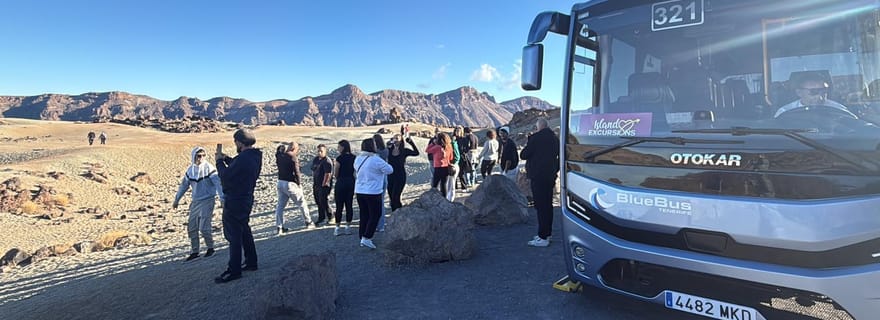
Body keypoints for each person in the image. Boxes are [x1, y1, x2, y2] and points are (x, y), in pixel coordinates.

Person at [214, 129, 262, 284]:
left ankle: (234, 270)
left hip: (235, 200)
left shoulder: (243, 159)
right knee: (245, 230)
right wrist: (227, 159)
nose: (235, 144)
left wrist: (219, 162)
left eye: (235, 142)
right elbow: (238, 165)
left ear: (240, 142)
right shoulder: (254, 156)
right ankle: (251, 261)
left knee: (234, 235)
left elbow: (226, 176)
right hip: (246, 198)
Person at [172, 147, 224, 261]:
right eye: (198, 156)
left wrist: (222, 198)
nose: (200, 158)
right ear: (193, 156)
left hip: (208, 200)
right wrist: (176, 200)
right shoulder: (190, 171)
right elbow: (184, 186)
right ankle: (195, 251)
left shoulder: (209, 169)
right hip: (195, 201)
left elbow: (218, 184)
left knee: (204, 227)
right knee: (192, 226)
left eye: (203, 155)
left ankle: (210, 248)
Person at [520, 118, 560, 247]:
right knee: (548, 206)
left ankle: (543, 237)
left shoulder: (535, 138)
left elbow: (524, 155)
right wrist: (554, 170)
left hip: (538, 176)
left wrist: (529, 142)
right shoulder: (555, 139)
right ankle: (547, 233)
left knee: (541, 206)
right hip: (550, 176)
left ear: (539, 127)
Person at [354, 138, 393, 249]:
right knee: (375, 214)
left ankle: (362, 236)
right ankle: (367, 237)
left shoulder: (358, 158)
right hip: (373, 191)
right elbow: (390, 170)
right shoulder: (376, 159)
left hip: (360, 191)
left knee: (364, 214)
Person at [274, 141, 313, 235]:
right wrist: (299, 184)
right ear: (294, 149)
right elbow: (297, 172)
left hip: (280, 182)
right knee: (302, 202)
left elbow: (277, 154)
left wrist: (280, 148)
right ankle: (308, 222)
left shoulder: (280, 156)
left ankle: (279, 227)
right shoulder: (292, 157)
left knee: (280, 206)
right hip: (290, 183)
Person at [774, 74, 856, 118]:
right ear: (799, 92)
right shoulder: (784, 113)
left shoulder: (839, 110)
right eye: (814, 92)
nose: (820, 97)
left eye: (823, 91)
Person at [386, 134, 419, 211]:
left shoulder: (404, 151)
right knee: (391, 197)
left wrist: (411, 143)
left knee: (396, 197)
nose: (396, 140)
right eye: (394, 138)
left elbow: (416, 153)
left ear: (401, 140)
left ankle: (398, 214)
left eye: (397, 138)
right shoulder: (389, 150)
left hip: (400, 176)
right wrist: (387, 145)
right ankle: (394, 214)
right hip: (390, 176)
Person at [333, 140, 356, 236]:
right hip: (351, 181)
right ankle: (348, 226)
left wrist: (338, 178)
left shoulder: (339, 158)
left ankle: (337, 227)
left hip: (341, 182)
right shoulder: (354, 157)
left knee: (339, 205)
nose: (338, 148)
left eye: (339, 147)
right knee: (349, 204)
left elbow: (336, 172)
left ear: (343, 147)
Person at [311, 144, 333, 226]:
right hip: (316, 184)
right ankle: (321, 218)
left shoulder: (327, 161)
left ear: (325, 151)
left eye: (321, 151)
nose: (319, 153)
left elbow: (328, 174)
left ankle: (331, 216)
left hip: (324, 185)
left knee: (323, 201)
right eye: (318, 151)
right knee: (318, 201)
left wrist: (323, 184)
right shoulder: (316, 159)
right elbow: (313, 170)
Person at [446, 128, 462, 201]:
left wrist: (452, 163)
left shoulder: (453, 144)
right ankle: (449, 198)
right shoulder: (451, 144)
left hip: (452, 166)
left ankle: (450, 199)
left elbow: (457, 156)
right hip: (451, 165)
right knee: (449, 184)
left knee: (451, 184)